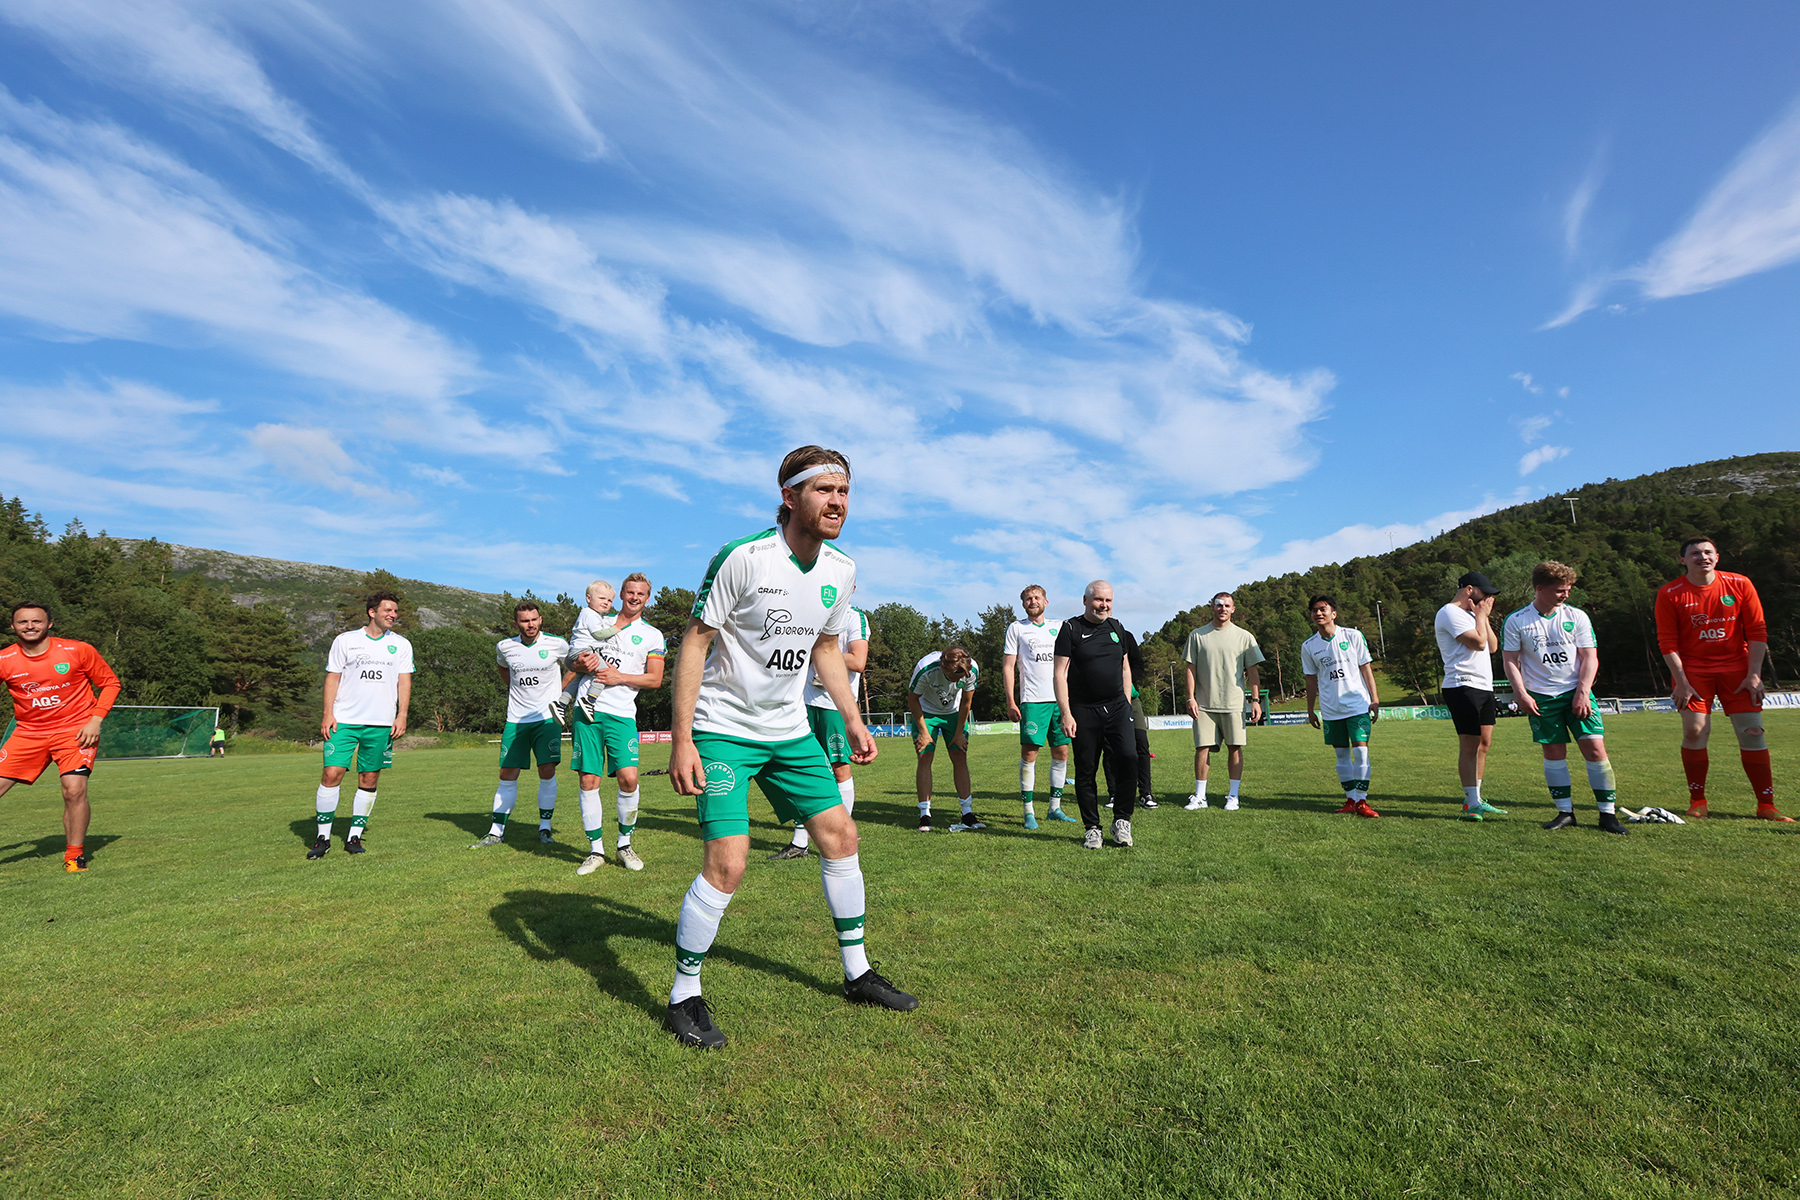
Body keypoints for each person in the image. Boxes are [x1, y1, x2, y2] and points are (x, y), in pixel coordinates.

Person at [664, 445, 916, 1049]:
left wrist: (854, 719)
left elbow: (828, 649)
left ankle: (857, 973)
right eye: (824, 490)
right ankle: (683, 996)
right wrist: (682, 740)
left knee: (841, 835)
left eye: (845, 492)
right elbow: (694, 643)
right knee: (729, 863)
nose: (837, 502)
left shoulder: (841, 570)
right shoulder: (744, 558)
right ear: (789, 497)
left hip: (790, 730)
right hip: (724, 729)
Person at [1654, 536, 1789, 821]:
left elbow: (1757, 632)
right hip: (1693, 672)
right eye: (1694, 553)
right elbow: (1667, 642)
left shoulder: (1740, 584)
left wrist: (1754, 674)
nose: (1702, 557)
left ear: (1717, 557)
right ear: (1682, 559)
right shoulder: (1670, 593)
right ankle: (1697, 800)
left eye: (1707, 552)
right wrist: (1681, 681)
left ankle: (1767, 806)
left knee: (1752, 733)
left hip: (1737, 670)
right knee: (1694, 731)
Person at [1501, 562, 1628, 835]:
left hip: (1576, 693)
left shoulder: (1577, 616)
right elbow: (1510, 660)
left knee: (1595, 750)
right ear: (1540, 588)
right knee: (1554, 752)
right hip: (1541, 697)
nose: (1566, 595)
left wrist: (1583, 691)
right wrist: (1521, 694)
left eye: (1568, 590)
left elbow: (1589, 657)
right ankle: (1565, 813)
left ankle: (1607, 815)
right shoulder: (1516, 620)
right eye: (1560, 590)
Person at [0, 601, 121, 872]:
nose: (30, 626)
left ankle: (74, 856)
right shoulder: (4, 659)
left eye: (36, 621)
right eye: (23, 622)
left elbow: (110, 683)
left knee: (73, 790)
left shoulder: (77, 650)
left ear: (49, 624)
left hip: (75, 731)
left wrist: (95, 719)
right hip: (28, 734)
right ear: (13, 626)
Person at [571, 573, 667, 872]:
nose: (634, 597)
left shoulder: (652, 635)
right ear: (622, 595)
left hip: (622, 713)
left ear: (647, 598)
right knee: (589, 780)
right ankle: (595, 851)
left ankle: (624, 845)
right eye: (629, 592)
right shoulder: (597, 621)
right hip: (587, 711)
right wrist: (578, 663)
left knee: (629, 778)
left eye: (640, 593)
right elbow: (572, 659)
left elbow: (655, 679)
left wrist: (619, 677)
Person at [307, 591, 413, 859]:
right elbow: (332, 678)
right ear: (372, 612)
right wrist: (327, 713)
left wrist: (402, 715)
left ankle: (354, 835)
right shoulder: (346, 640)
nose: (393, 615)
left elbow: (404, 681)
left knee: (369, 777)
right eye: (388, 610)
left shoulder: (401, 645)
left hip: (380, 723)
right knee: (332, 773)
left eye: (395, 611)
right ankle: (323, 837)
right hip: (344, 720)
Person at [771, 601, 869, 859]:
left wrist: (819, 650)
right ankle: (800, 843)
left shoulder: (853, 617)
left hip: (832, 704)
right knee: (801, 770)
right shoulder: (808, 609)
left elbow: (859, 661)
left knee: (839, 768)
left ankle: (841, 833)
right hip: (799, 701)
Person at [471, 600, 572, 849]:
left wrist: (559, 693)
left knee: (546, 771)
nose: (530, 624)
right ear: (516, 623)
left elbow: (574, 668)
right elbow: (504, 670)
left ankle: (545, 828)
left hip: (547, 719)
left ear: (540, 620)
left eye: (534, 619)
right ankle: (496, 832)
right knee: (507, 773)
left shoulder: (557, 644)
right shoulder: (505, 646)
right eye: (525, 621)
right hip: (516, 719)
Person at [1053, 580, 1139, 848]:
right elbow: (1059, 673)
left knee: (1129, 758)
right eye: (1098, 600)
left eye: (1108, 601)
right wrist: (1066, 713)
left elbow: (1125, 667)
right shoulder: (1070, 629)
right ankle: (1092, 828)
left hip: (1116, 707)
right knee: (1086, 769)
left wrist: (1125, 702)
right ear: (1085, 600)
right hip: (1083, 710)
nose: (1104, 605)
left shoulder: (1117, 627)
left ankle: (1122, 821)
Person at [1181, 592, 1264, 811]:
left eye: (1227, 605)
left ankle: (1233, 796)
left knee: (1235, 748)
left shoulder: (1245, 637)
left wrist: (1255, 701)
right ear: (1212, 607)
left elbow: (1252, 672)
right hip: (1204, 704)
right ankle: (1200, 796)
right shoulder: (1198, 636)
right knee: (1202, 748)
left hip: (1234, 704)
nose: (1223, 609)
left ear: (1233, 609)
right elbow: (1190, 669)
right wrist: (1190, 697)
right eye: (1219, 605)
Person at [1301, 595, 1380, 817]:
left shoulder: (1353, 636)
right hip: (1330, 709)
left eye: (1323, 609)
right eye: (1314, 610)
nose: (1318, 613)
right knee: (1342, 756)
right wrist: (1310, 709)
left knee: (1361, 751)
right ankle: (1350, 800)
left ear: (1333, 613)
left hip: (1357, 705)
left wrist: (1374, 698)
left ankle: (1362, 801)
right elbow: (1310, 679)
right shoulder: (1308, 646)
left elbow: (1366, 668)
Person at [1435, 572, 1506, 821]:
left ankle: (1475, 798)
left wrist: (1481, 617)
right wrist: (1481, 616)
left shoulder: (1473, 615)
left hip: (1484, 686)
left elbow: (1493, 646)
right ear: (1469, 590)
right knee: (1470, 744)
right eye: (1484, 593)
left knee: (1484, 744)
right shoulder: (1449, 612)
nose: (1488, 599)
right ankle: (1470, 802)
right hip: (1462, 685)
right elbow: (1477, 643)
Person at [1003, 586, 1075, 828]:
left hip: (1060, 701)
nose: (1032, 601)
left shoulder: (1061, 626)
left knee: (1062, 753)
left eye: (1036, 598)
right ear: (1023, 604)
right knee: (1030, 754)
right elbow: (1008, 667)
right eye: (1027, 599)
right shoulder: (1017, 628)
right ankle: (1029, 812)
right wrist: (1011, 701)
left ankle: (1054, 808)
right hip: (1033, 701)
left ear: (1046, 601)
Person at [907, 647, 982, 832]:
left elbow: (966, 702)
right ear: (944, 668)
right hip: (926, 712)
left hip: (954, 713)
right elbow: (912, 699)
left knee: (960, 757)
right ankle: (924, 814)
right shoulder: (925, 668)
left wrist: (958, 733)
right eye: (955, 676)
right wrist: (924, 732)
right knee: (924, 758)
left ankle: (967, 813)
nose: (959, 679)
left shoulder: (971, 669)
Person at [547, 581, 619, 727]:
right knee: (604, 673)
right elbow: (598, 634)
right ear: (588, 598)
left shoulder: (591, 614)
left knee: (577, 678)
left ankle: (561, 704)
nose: (606, 602)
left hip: (576, 651)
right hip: (584, 651)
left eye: (609, 600)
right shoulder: (589, 613)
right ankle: (590, 700)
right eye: (601, 598)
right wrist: (615, 629)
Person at [1102, 628, 1157, 810]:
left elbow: (1138, 665)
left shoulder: (1125, 636)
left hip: (1131, 700)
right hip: (1105, 702)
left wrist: (1127, 684)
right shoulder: (1089, 636)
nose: (1104, 607)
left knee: (1141, 745)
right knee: (1110, 749)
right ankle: (1114, 794)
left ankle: (1145, 793)